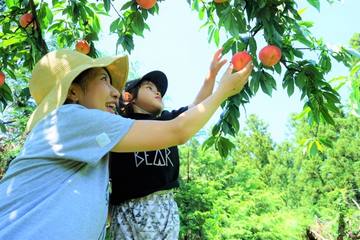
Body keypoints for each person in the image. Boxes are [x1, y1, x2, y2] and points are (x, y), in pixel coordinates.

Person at [0, 48, 252, 240]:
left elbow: (185, 117)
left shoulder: (90, 147)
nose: (115, 92)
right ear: (74, 92)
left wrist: (210, 82)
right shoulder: (68, 119)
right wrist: (222, 91)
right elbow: (179, 130)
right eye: (104, 80)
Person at [108, 49, 227, 240]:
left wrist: (211, 76)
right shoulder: (120, 123)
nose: (157, 92)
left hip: (164, 206)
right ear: (129, 96)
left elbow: (198, 107)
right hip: (127, 209)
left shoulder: (167, 120)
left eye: (159, 90)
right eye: (149, 87)